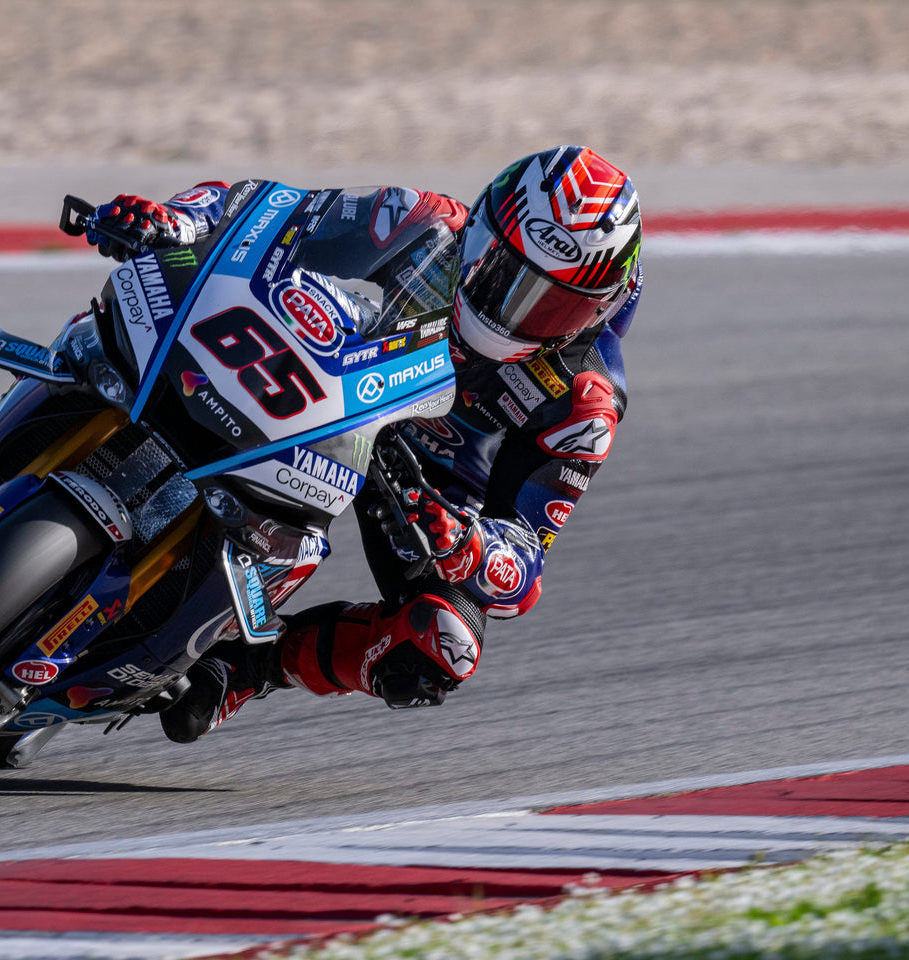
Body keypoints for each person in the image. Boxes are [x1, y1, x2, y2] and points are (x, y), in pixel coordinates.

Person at [79, 146, 643, 742]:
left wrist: (466, 543)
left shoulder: (584, 401)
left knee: (445, 643)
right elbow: (269, 211)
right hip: (343, 376)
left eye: (552, 304)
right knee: (148, 300)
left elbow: (522, 569)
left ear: (598, 312)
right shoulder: (423, 221)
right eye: (502, 269)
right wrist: (180, 219)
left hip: (422, 489)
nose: (512, 308)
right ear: (481, 229)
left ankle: (248, 666)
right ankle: (24, 418)